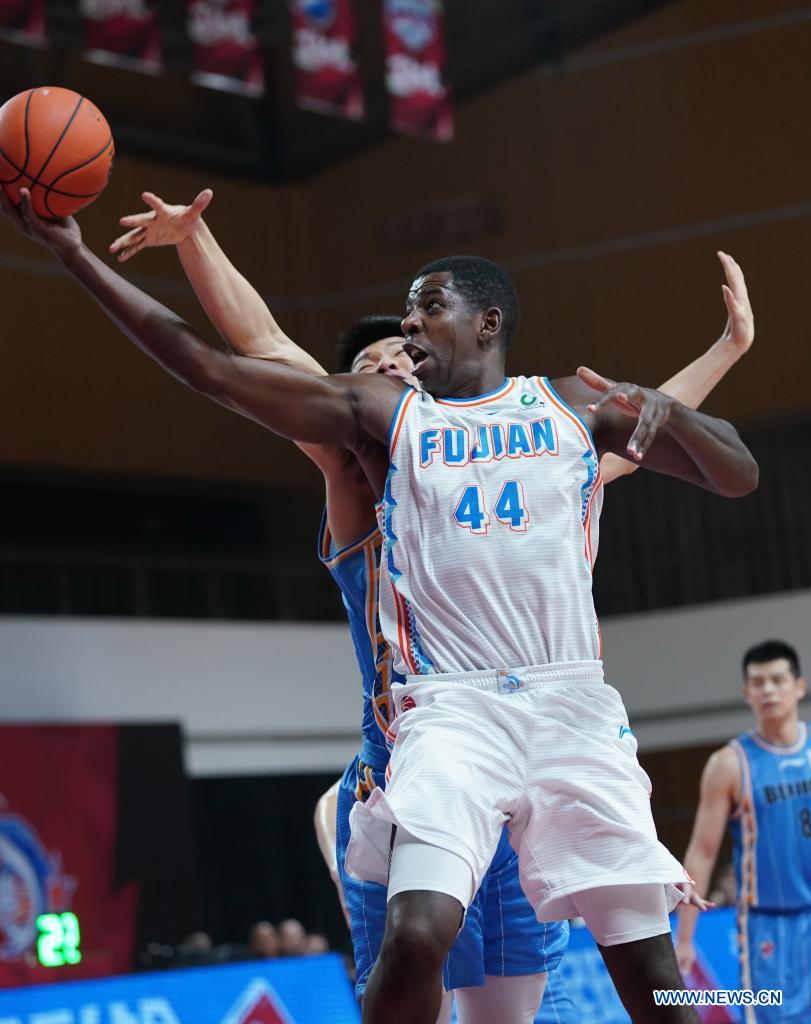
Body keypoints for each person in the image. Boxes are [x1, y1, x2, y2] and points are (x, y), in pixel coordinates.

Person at [1, 188, 758, 1023]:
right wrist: (76, 255)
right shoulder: (377, 428)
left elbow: (731, 473)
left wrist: (676, 407)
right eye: (400, 317)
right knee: (414, 935)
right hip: (442, 715)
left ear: (488, 322)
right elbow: (225, 362)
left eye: (426, 307)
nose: (405, 330)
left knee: (643, 976)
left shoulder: (568, 413)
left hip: (569, 702)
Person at [676, 640, 810, 1023]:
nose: (768, 689)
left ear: (798, 687)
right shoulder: (729, 764)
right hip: (768, 925)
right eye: (759, 682)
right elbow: (702, 852)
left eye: (777, 680)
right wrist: (685, 938)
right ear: (746, 693)